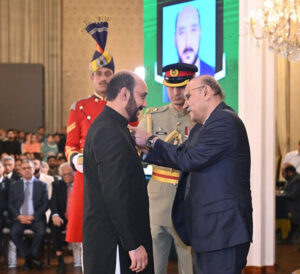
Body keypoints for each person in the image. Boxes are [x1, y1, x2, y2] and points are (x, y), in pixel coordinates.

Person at [133, 75, 253, 274]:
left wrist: (152, 140)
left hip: (224, 231)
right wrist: (142, 150)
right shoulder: (202, 128)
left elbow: (190, 159)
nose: (186, 103)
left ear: (206, 92)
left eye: (189, 96)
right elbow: (179, 154)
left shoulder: (224, 121)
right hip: (208, 230)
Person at [83, 71, 154, 274]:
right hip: (114, 243)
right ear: (124, 93)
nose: (144, 104)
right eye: (142, 96)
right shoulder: (109, 131)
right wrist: (132, 244)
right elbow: (114, 193)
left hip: (119, 239)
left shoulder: (115, 126)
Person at [138, 63, 196, 274]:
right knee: (155, 262)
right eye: (170, 87)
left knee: (188, 260)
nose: (175, 92)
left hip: (189, 197)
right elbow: (139, 158)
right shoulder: (153, 117)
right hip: (157, 198)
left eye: (180, 87)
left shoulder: (201, 118)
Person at [65, 20, 116, 244]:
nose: (104, 78)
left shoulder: (125, 106)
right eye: (99, 74)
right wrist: (76, 159)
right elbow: (69, 145)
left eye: (108, 73)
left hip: (116, 173)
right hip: (87, 174)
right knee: (89, 234)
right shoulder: (79, 107)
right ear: (92, 78)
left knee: (118, 230)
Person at [8, 160, 48, 270]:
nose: (27, 170)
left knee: (41, 232)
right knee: (13, 233)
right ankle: (31, 258)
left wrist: (34, 216)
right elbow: (10, 204)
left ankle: (28, 259)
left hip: (36, 218)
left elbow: (45, 204)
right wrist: (18, 217)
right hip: (20, 218)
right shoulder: (14, 185)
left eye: (29, 168)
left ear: (33, 169)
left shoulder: (42, 185)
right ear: (20, 170)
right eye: (24, 168)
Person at [50, 162, 78, 274]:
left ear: (74, 173)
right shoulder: (57, 184)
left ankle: (82, 258)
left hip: (77, 217)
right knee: (54, 227)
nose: (67, 176)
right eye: (64, 174)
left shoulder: (80, 184)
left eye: (69, 174)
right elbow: (53, 202)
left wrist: (73, 220)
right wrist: (55, 215)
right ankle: (60, 260)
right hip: (63, 217)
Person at [174, 5, 214, 76]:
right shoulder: (167, 81)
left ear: (200, 34)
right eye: (182, 32)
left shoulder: (212, 73)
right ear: (175, 39)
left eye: (193, 30)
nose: (187, 42)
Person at [282, 165, 300, 236]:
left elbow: (292, 195)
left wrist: (282, 193)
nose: (284, 176)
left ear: (289, 172)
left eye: (284, 173)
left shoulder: (297, 180)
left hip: (295, 207)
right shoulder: (291, 179)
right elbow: (286, 190)